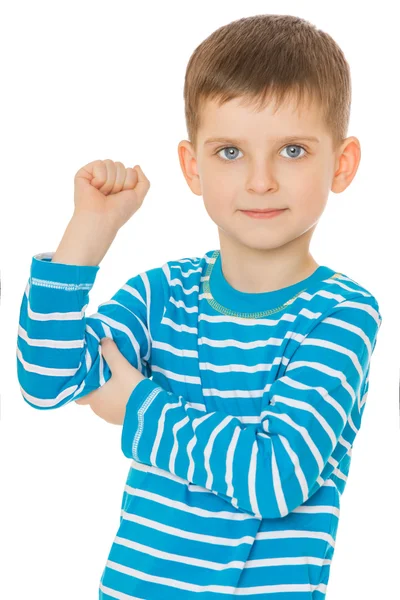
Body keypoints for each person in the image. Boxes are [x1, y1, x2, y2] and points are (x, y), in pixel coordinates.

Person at [16, 13, 382, 600]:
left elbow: (274, 478)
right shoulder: (162, 294)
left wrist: (136, 403)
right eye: (230, 151)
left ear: (340, 164)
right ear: (193, 166)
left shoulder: (340, 314)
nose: (260, 181)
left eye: (292, 149)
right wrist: (87, 235)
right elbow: (47, 378)